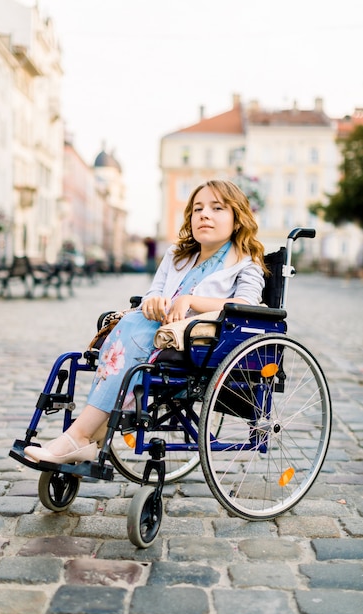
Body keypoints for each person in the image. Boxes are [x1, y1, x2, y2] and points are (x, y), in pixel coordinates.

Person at [24, 179, 266, 465]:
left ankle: (79, 435)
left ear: (237, 219)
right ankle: (84, 436)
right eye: (198, 208)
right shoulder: (176, 256)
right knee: (125, 331)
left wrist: (190, 301)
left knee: (133, 337)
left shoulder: (245, 262)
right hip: (154, 330)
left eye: (217, 208)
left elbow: (247, 307)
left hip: (198, 343)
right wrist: (152, 302)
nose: (204, 215)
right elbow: (155, 292)